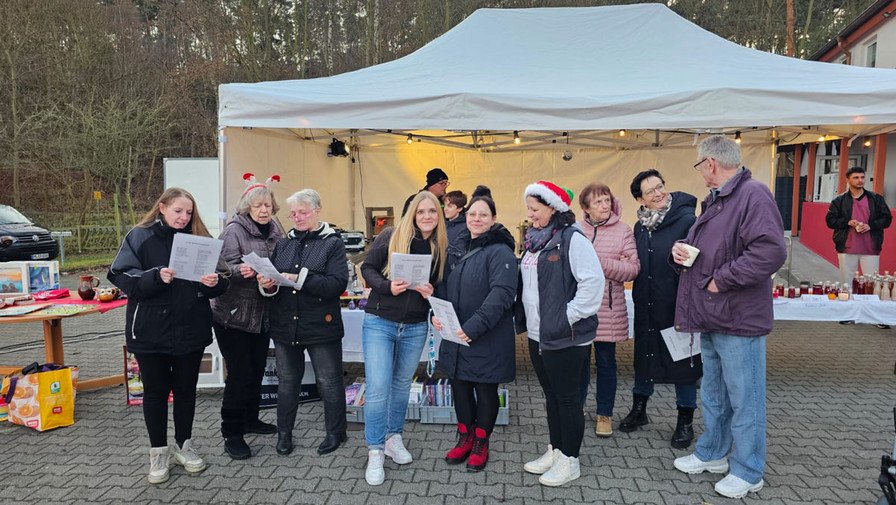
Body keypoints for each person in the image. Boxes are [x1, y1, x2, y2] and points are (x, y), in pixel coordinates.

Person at [672, 135, 787, 499]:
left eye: (699, 164)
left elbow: (770, 251)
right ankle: (712, 453)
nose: (700, 171)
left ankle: (749, 470)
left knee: (744, 398)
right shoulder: (718, 201)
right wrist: (684, 250)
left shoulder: (752, 194)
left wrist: (722, 279)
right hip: (713, 314)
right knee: (716, 394)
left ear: (710, 163)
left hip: (737, 318)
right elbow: (714, 249)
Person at [108, 187, 229, 484]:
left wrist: (213, 282)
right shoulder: (140, 236)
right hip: (151, 330)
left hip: (191, 327)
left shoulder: (200, 237)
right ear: (161, 207)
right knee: (156, 393)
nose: (183, 217)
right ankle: (158, 452)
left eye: (188, 212)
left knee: (187, 391)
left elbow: (223, 279)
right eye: (178, 211)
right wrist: (154, 276)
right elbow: (120, 274)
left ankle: (184, 445)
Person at [519, 181, 604, 487]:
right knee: (551, 397)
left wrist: (565, 317)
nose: (530, 215)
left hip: (566, 336)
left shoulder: (572, 239)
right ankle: (556, 450)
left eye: (535, 209)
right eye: (528, 208)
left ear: (553, 208)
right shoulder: (535, 241)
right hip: (539, 334)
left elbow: (593, 284)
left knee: (567, 400)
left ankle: (571, 459)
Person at [361, 191, 447, 485]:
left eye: (432, 211)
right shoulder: (391, 235)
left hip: (414, 326)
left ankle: (393, 438)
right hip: (380, 322)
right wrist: (387, 287)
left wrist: (432, 294)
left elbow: (440, 285)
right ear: (412, 213)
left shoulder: (440, 245)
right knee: (377, 387)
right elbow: (367, 268)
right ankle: (374, 450)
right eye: (421, 211)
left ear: (439, 215)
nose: (426, 216)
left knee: (400, 386)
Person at [257, 189, 349, 457]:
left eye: (303, 212)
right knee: (287, 381)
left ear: (317, 210)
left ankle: (336, 432)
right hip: (285, 324)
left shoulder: (332, 243)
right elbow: (274, 281)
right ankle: (284, 434)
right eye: (293, 213)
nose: (297, 217)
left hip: (321, 324)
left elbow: (336, 285)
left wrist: (299, 278)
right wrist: (268, 284)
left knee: (329, 381)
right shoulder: (283, 244)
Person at [433, 191, 518, 472]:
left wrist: (472, 328)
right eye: (472, 214)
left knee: (484, 388)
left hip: (485, 336)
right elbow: (443, 285)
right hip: (456, 335)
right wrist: (437, 314)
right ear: (465, 217)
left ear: (493, 219)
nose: (477, 219)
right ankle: (465, 437)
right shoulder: (457, 247)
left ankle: (482, 442)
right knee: (459, 386)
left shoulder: (500, 251)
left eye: (483, 214)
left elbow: (502, 295)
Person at [624, 169, 701, 449]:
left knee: (683, 363)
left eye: (660, 186)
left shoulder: (687, 221)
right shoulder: (640, 226)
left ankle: (685, 419)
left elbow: (697, 260)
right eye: (650, 191)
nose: (658, 193)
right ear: (640, 200)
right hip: (646, 302)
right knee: (644, 357)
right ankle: (639, 408)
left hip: (677, 305)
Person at [210, 180, 284, 460]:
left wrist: (275, 276)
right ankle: (232, 433)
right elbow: (220, 269)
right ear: (247, 207)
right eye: (258, 205)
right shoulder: (233, 231)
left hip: (263, 312)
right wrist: (242, 271)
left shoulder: (277, 229)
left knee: (255, 370)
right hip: (233, 315)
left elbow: (283, 261)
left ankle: (251, 420)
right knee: (239, 375)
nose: (264, 210)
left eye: (267, 205)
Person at [576, 183, 639, 438]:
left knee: (605, 363)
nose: (605, 205)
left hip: (608, 309)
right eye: (598, 202)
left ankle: (605, 413)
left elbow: (633, 269)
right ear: (586, 208)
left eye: (607, 200)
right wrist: (614, 264)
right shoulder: (576, 230)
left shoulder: (624, 230)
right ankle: (576, 408)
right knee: (578, 363)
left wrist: (597, 262)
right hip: (580, 307)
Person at [825, 166, 892, 327]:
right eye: (856, 177)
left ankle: (876, 317)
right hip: (847, 247)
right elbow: (830, 221)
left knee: (872, 283)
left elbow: (887, 219)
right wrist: (848, 222)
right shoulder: (839, 200)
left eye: (862, 177)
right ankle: (848, 314)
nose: (860, 180)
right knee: (846, 282)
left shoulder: (876, 198)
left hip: (870, 247)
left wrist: (871, 226)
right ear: (847, 180)